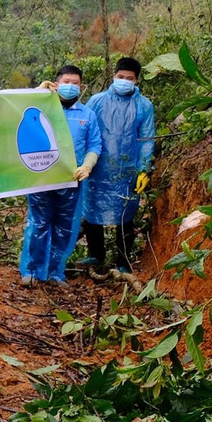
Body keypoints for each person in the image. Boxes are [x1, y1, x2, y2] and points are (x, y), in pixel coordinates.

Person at [19, 64, 101, 286]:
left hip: (71, 179)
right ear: (56, 84)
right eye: (66, 82)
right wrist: (37, 93)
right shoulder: (43, 107)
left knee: (64, 226)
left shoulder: (87, 115)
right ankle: (31, 271)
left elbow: (94, 145)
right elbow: (20, 114)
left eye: (75, 83)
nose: (71, 86)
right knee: (38, 224)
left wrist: (88, 165)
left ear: (81, 86)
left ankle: (55, 273)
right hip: (41, 177)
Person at [83, 57, 155, 274]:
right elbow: (84, 130)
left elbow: (146, 139)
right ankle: (96, 255)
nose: (124, 81)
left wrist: (144, 169)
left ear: (136, 80)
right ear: (114, 76)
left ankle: (123, 261)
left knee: (125, 215)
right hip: (97, 166)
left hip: (127, 170)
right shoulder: (96, 101)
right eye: (120, 76)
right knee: (92, 210)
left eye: (129, 78)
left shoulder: (144, 106)